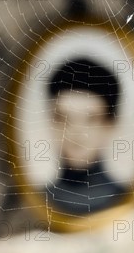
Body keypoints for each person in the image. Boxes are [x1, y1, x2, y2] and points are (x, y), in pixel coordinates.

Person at [46, 57, 129, 215]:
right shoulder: (35, 200)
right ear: (51, 123)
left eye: (90, 119)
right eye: (63, 118)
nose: (76, 132)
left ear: (109, 125)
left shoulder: (128, 199)